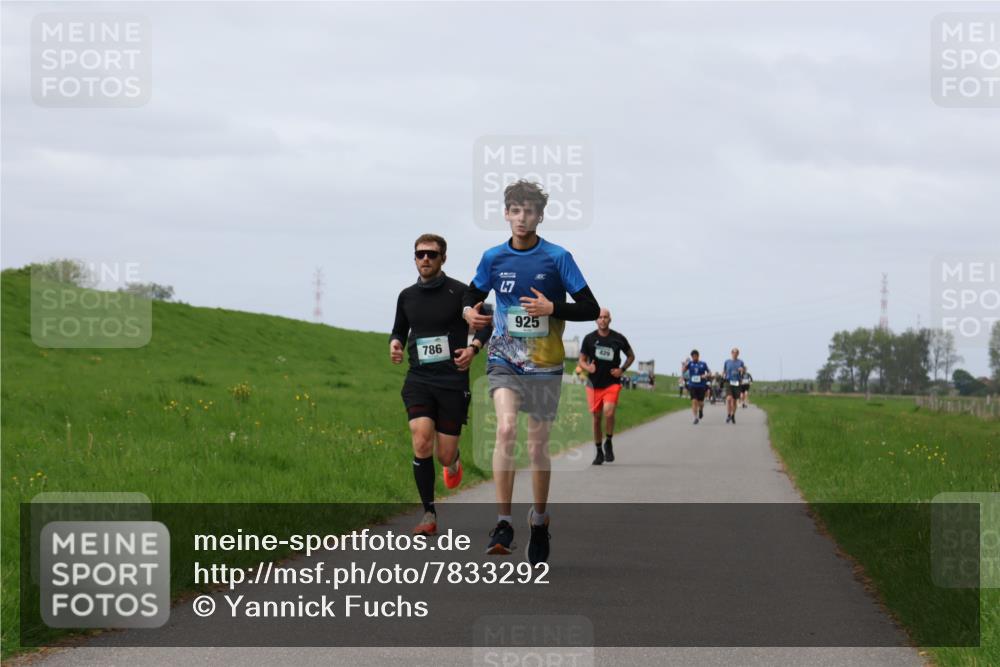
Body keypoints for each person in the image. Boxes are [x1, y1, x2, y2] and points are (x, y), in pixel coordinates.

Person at [463, 180, 600, 565]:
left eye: (530, 211)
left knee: (538, 445)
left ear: (540, 216)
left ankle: (539, 521)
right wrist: (468, 312)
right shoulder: (493, 257)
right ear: (506, 213)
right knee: (506, 428)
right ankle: (503, 522)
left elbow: (590, 307)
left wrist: (552, 308)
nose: (522, 218)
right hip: (504, 356)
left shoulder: (558, 257)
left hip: (544, 362)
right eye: (515, 210)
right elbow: (470, 294)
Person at [391, 234, 491, 536]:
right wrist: (394, 344)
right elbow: (399, 329)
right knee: (421, 439)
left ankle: (453, 460)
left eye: (432, 255)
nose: (425, 259)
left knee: (444, 455)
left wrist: (473, 348)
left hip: (452, 381)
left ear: (443, 258)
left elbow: (484, 318)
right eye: (420, 254)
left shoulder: (460, 292)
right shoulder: (406, 296)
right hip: (419, 378)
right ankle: (428, 513)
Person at [579, 308, 635, 465]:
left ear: (610, 320)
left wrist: (622, 370)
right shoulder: (589, 339)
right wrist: (587, 367)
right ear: (596, 320)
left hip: (611, 383)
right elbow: (581, 360)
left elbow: (631, 355)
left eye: (605, 317)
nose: (602, 320)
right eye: (600, 317)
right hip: (594, 385)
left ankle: (608, 441)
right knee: (596, 419)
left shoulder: (618, 338)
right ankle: (598, 451)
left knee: (609, 412)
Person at [682, 351, 710, 424]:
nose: (694, 357)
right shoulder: (690, 364)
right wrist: (684, 366)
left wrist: (705, 375)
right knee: (694, 401)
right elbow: (683, 371)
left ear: (698, 356)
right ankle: (695, 417)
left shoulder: (703, 364)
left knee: (700, 403)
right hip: (692, 385)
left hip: (701, 386)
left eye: (695, 356)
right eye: (693, 356)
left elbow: (709, 372)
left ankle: (701, 410)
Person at [723, 347, 746, 424]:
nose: (735, 354)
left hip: (737, 382)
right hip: (729, 382)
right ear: (731, 353)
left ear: (738, 354)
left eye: (736, 353)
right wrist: (723, 376)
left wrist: (742, 370)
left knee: (734, 401)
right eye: (733, 352)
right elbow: (724, 371)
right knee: (729, 399)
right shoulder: (727, 362)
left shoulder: (740, 362)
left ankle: (733, 415)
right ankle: (729, 414)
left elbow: (744, 370)